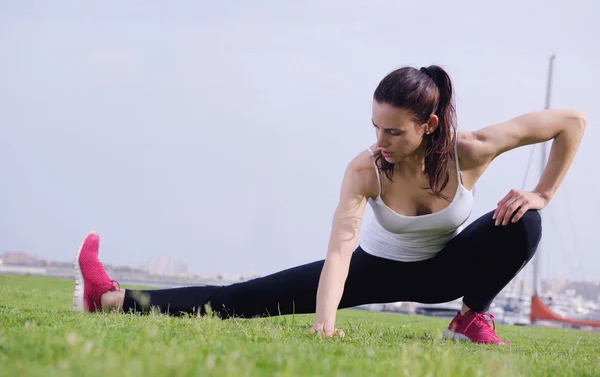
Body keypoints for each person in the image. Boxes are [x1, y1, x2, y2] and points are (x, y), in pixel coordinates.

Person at [72, 65, 587, 346]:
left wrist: (542, 191)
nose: (380, 140)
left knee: (525, 222)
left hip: (446, 273)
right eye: (374, 127)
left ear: (428, 126)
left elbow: (572, 122)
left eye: (393, 130)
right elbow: (340, 251)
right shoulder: (365, 169)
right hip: (374, 271)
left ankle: (472, 317)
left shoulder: (469, 150)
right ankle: (112, 300)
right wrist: (324, 319)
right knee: (245, 298)